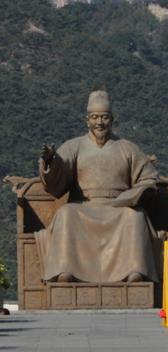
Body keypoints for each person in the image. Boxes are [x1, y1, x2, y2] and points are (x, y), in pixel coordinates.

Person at [35, 90, 160, 284]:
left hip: (119, 206)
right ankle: (66, 270)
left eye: (104, 117)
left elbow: (148, 177)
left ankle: (135, 271)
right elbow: (58, 178)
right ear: (87, 120)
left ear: (112, 119)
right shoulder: (73, 146)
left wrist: (138, 192)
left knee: (135, 216)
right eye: (94, 117)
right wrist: (51, 161)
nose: (99, 123)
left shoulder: (127, 147)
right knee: (66, 213)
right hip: (84, 206)